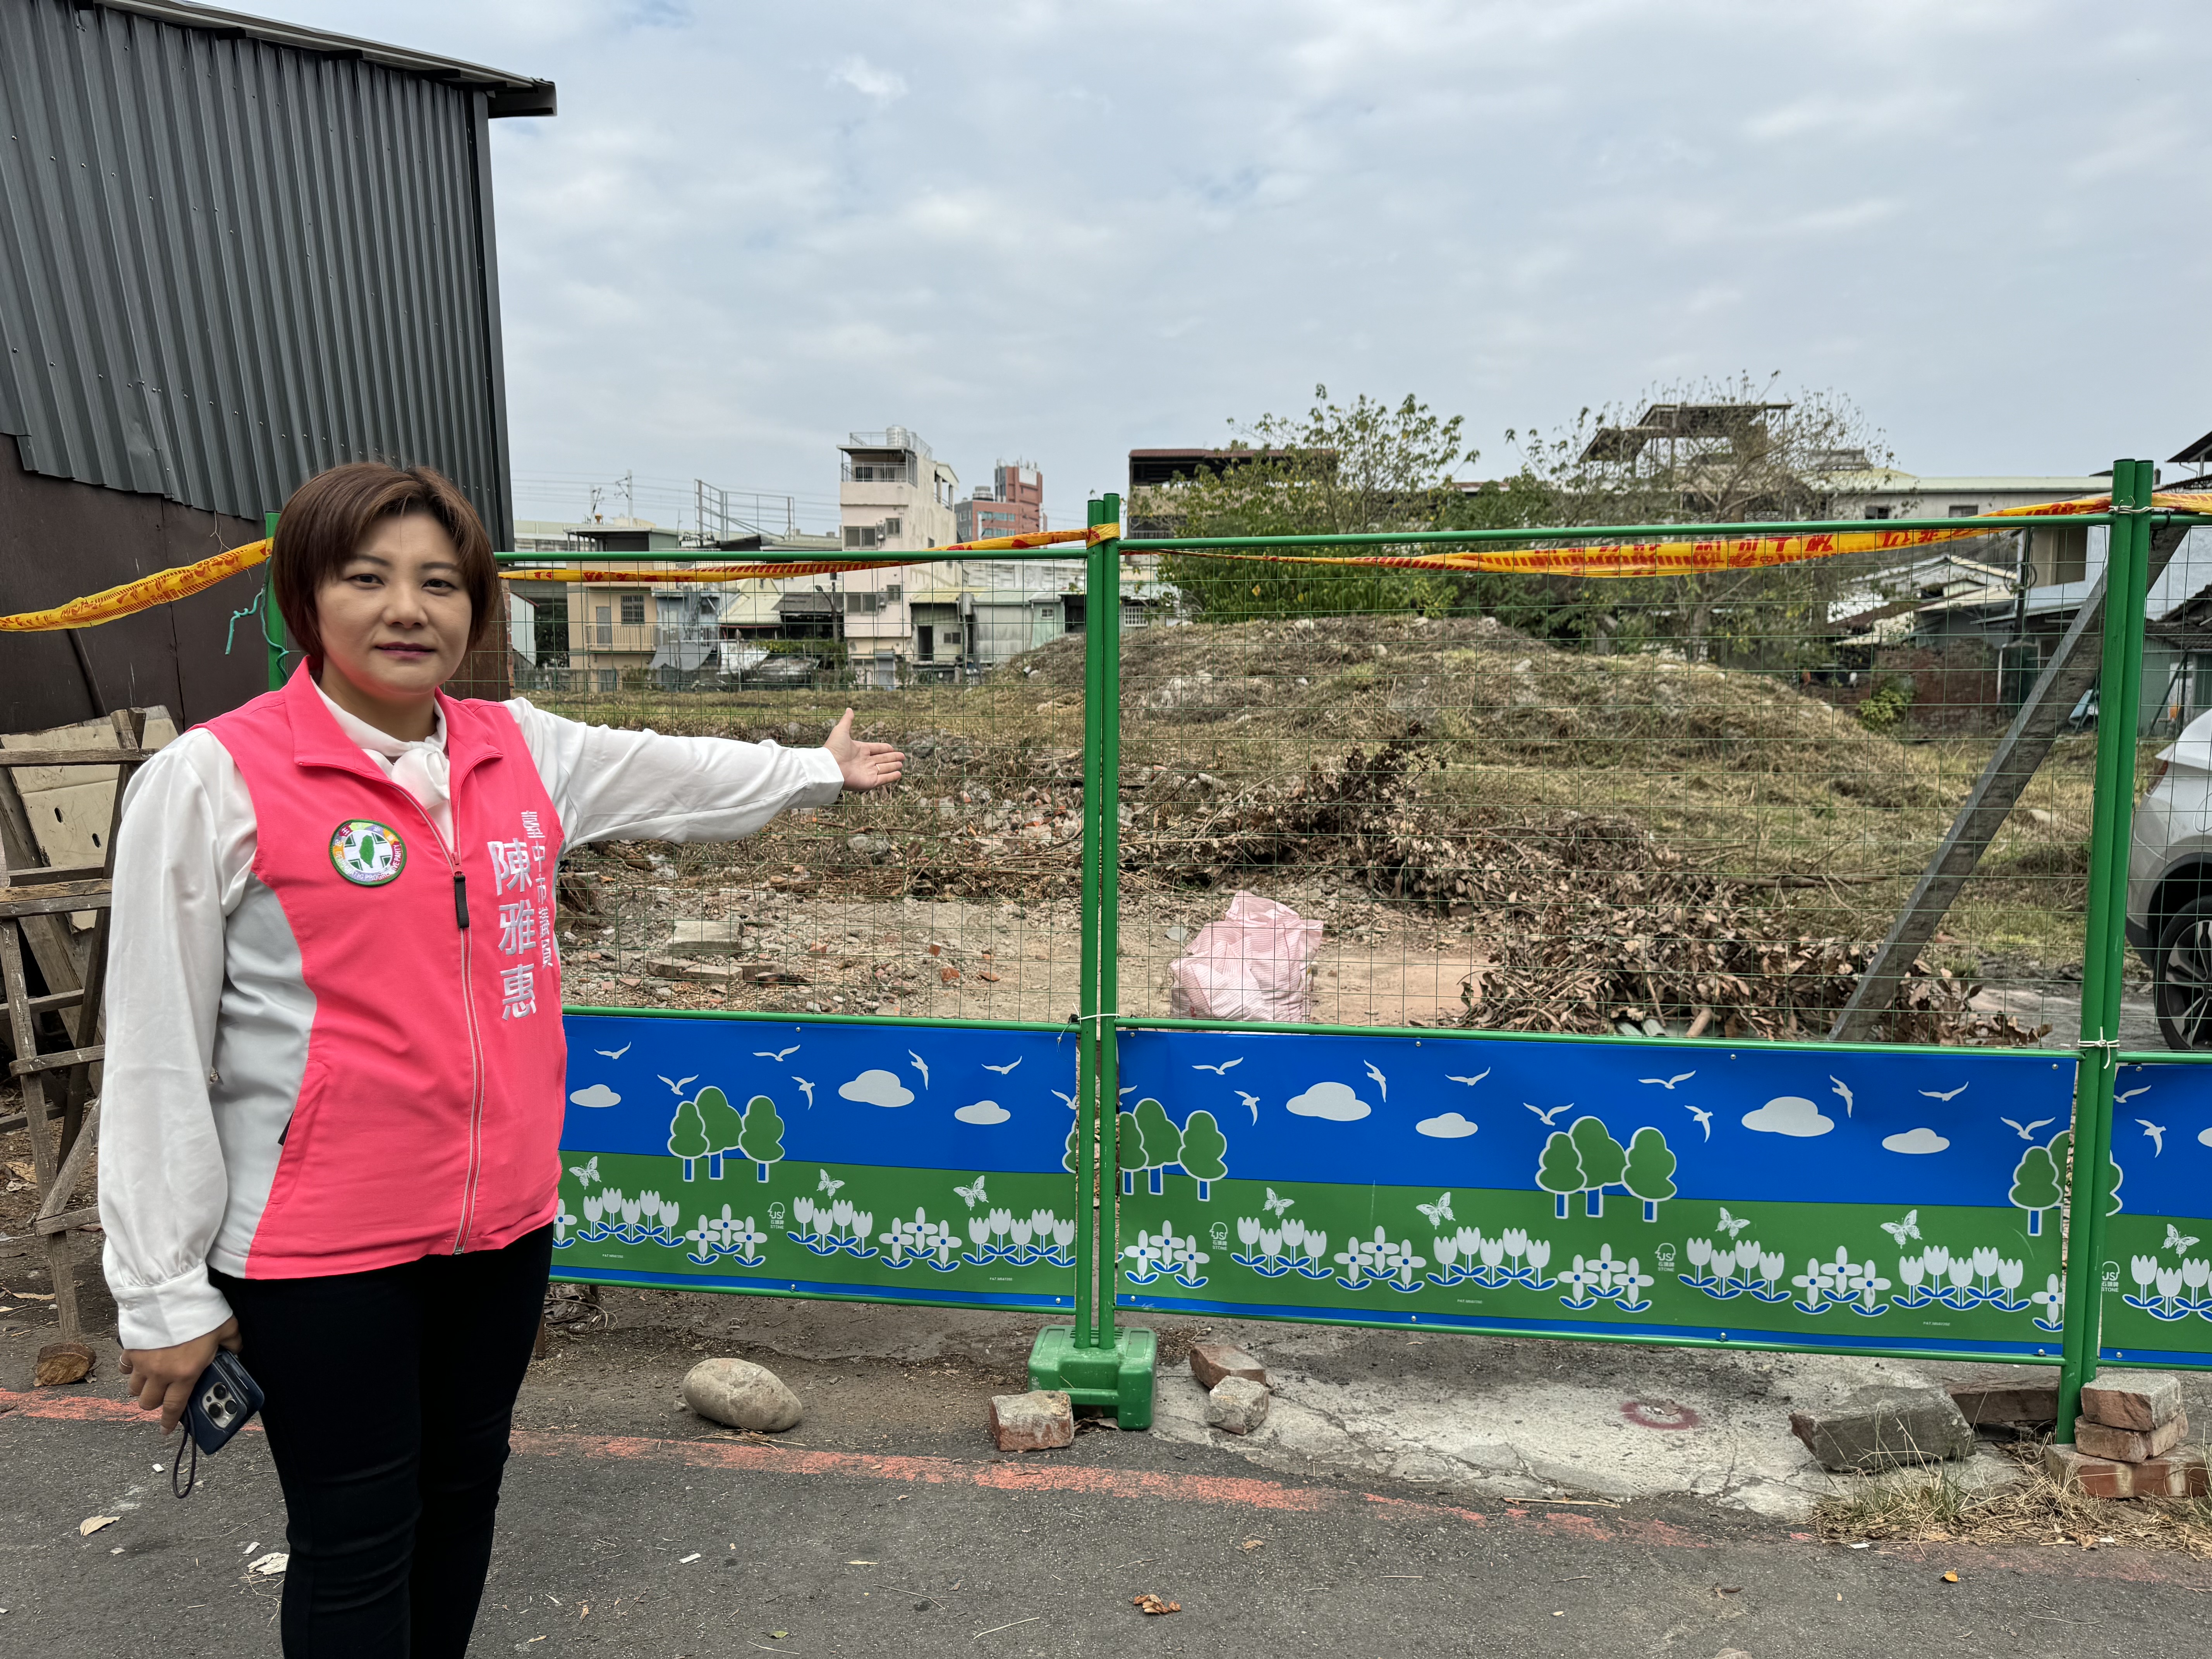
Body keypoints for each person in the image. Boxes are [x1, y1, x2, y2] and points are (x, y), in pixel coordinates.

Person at [98, 462, 902, 1657]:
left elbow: (676, 776)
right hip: (321, 1249)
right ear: (305, 597)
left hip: (501, 1230)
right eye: (367, 578)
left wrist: (812, 771)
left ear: (476, 608)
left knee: (464, 1504)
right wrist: (161, 1291)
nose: (406, 608)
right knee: (357, 1533)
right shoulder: (212, 778)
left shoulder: (517, 746)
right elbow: (157, 1045)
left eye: (438, 581)